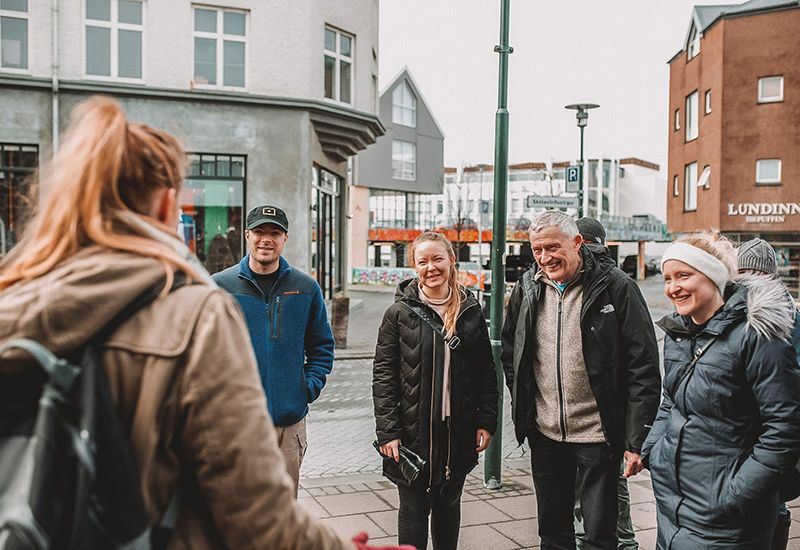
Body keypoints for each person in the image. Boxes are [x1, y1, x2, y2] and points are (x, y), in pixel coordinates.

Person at [0, 96, 405, 550]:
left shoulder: (13, 296)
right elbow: (256, 511)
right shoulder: (195, 310)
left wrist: (301, 387)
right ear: (168, 203)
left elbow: (321, 347)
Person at [501, 210, 661, 550]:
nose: (545, 258)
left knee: (601, 535)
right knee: (553, 532)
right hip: (545, 433)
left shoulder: (617, 287)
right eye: (538, 250)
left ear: (576, 243)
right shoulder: (528, 287)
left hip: (598, 435)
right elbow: (512, 353)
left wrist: (635, 440)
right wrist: (526, 407)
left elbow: (643, 366)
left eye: (553, 248)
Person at [642, 233, 800, 549]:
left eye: (684, 275)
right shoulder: (679, 334)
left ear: (713, 277)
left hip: (728, 521)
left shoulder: (758, 334)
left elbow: (785, 429)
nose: (673, 287)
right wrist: (653, 451)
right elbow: (671, 399)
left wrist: (736, 494)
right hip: (674, 507)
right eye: (668, 277)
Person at [373, 231, 498, 550]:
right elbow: (384, 375)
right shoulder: (398, 314)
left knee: (448, 504)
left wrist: (487, 421)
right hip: (412, 431)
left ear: (451, 260)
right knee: (413, 510)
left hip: (458, 430)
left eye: (437, 258)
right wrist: (388, 432)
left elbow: (485, 371)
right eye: (423, 260)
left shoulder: (470, 310)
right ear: (414, 265)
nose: (431, 267)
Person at [213, 204, 334, 496]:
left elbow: (321, 347)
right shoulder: (220, 286)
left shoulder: (305, 287)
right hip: (238, 424)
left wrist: (305, 388)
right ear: (247, 236)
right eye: (259, 231)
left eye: (274, 233)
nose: (266, 239)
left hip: (287, 425)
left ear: (285, 239)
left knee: (282, 512)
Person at [573, 217, 638, 550]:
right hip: (608, 418)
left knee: (591, 499)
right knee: (614, 495)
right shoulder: (621, 282)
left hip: (588, 420)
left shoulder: (610, 284)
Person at [736, 238, 800, 550]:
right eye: (742, 272)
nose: (747, 279)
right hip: (747, 421)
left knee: (773, 497)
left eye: (753, 272)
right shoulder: (736, 307)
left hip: (771, 422)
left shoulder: (785, 313)